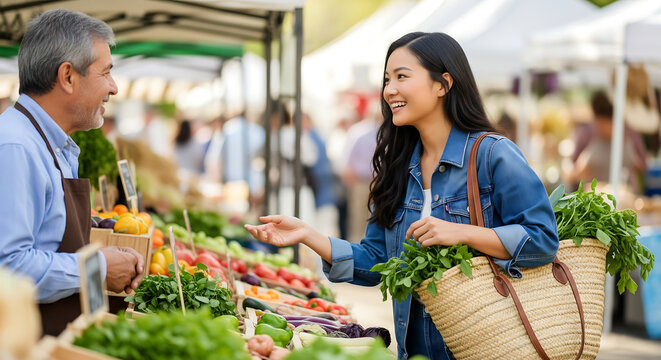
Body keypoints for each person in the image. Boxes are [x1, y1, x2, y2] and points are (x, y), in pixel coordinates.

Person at [245, 32, 559, 360]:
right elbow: (379, 261)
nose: (389, 89)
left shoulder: (493, 155)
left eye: (401, 76)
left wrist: (462, 233)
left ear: (443, 84)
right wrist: (308, 235)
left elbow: (542, 241)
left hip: (485, 347)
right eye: (386, 79)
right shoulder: (398, 167)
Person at [0, 9, 145, 336]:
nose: (114, 87)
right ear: (67, 77)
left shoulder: (55, 144)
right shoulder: (15, 147)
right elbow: (8, 270)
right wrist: (99, 267)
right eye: (106, 72)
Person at [570, 90, 647, 192]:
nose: (603, 128)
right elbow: (574, 169)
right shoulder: (586, 134)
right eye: (600, 124)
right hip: (595, 197)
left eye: (608, 124)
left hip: (626, 195)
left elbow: (643, 165)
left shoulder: (630, 133)